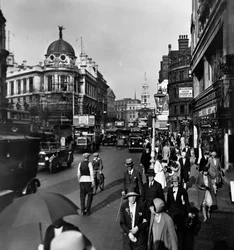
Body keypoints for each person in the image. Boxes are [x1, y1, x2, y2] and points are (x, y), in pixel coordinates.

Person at [167, 175, 191, 250]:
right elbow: (168, 202)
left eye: (176, 181)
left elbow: (186, 202)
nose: (175, 183)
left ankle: (181, 246)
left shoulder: (183, 190)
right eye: (174, 182)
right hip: (172, 213)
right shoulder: (170, 190)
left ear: (179, 182)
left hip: (180, 213)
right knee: (171, 230)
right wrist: (166, 210)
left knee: (180, 232)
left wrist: (189, 212)